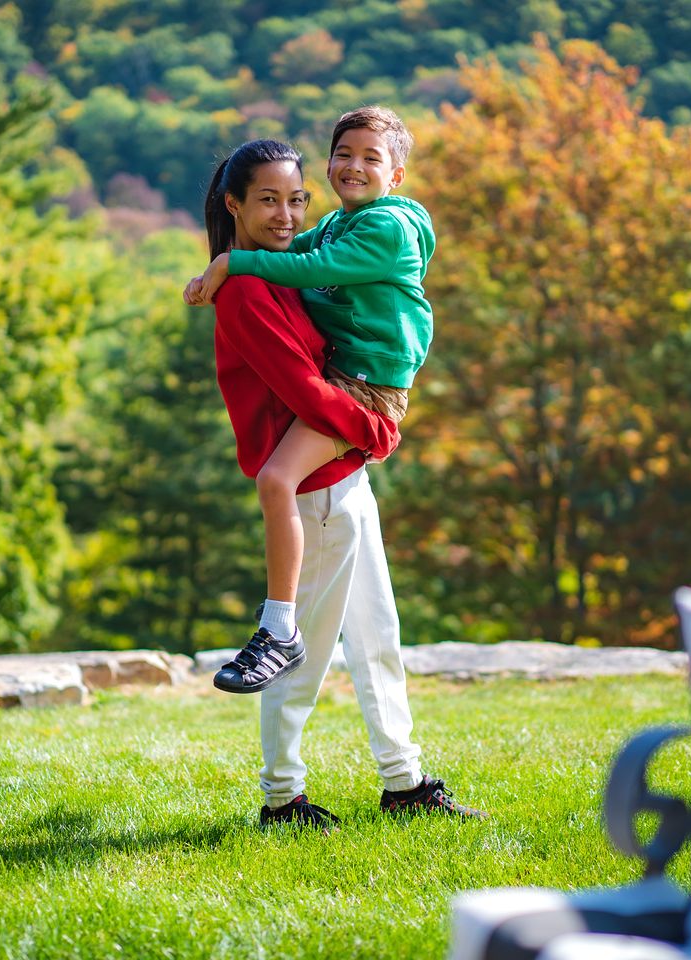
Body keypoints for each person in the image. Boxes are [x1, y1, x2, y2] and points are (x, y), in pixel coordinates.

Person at [200, 138, 483, 827]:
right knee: (304, 654)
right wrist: (373, 427)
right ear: (233, 204)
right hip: (316, 487)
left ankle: (404, 783)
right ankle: (281, 798)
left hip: (342, 472)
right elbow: (300, 384)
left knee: (377, 638)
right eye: (266, 199)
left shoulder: (287, 268)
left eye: (296, 198)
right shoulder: (244, 288)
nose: (285, 214)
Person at [188, 107, 436, 697]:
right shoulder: (337, 225)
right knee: (373, 638)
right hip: (346, 385)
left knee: (276, 480)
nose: (353, 166)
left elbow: (310, 266)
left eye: (371, 158)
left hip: (364, 387)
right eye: (344, 154)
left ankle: (278, 627)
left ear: (396, 175)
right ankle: (378, 781)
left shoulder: (385, 228)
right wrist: (233, 262)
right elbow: (298, 250)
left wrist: (230, 260)